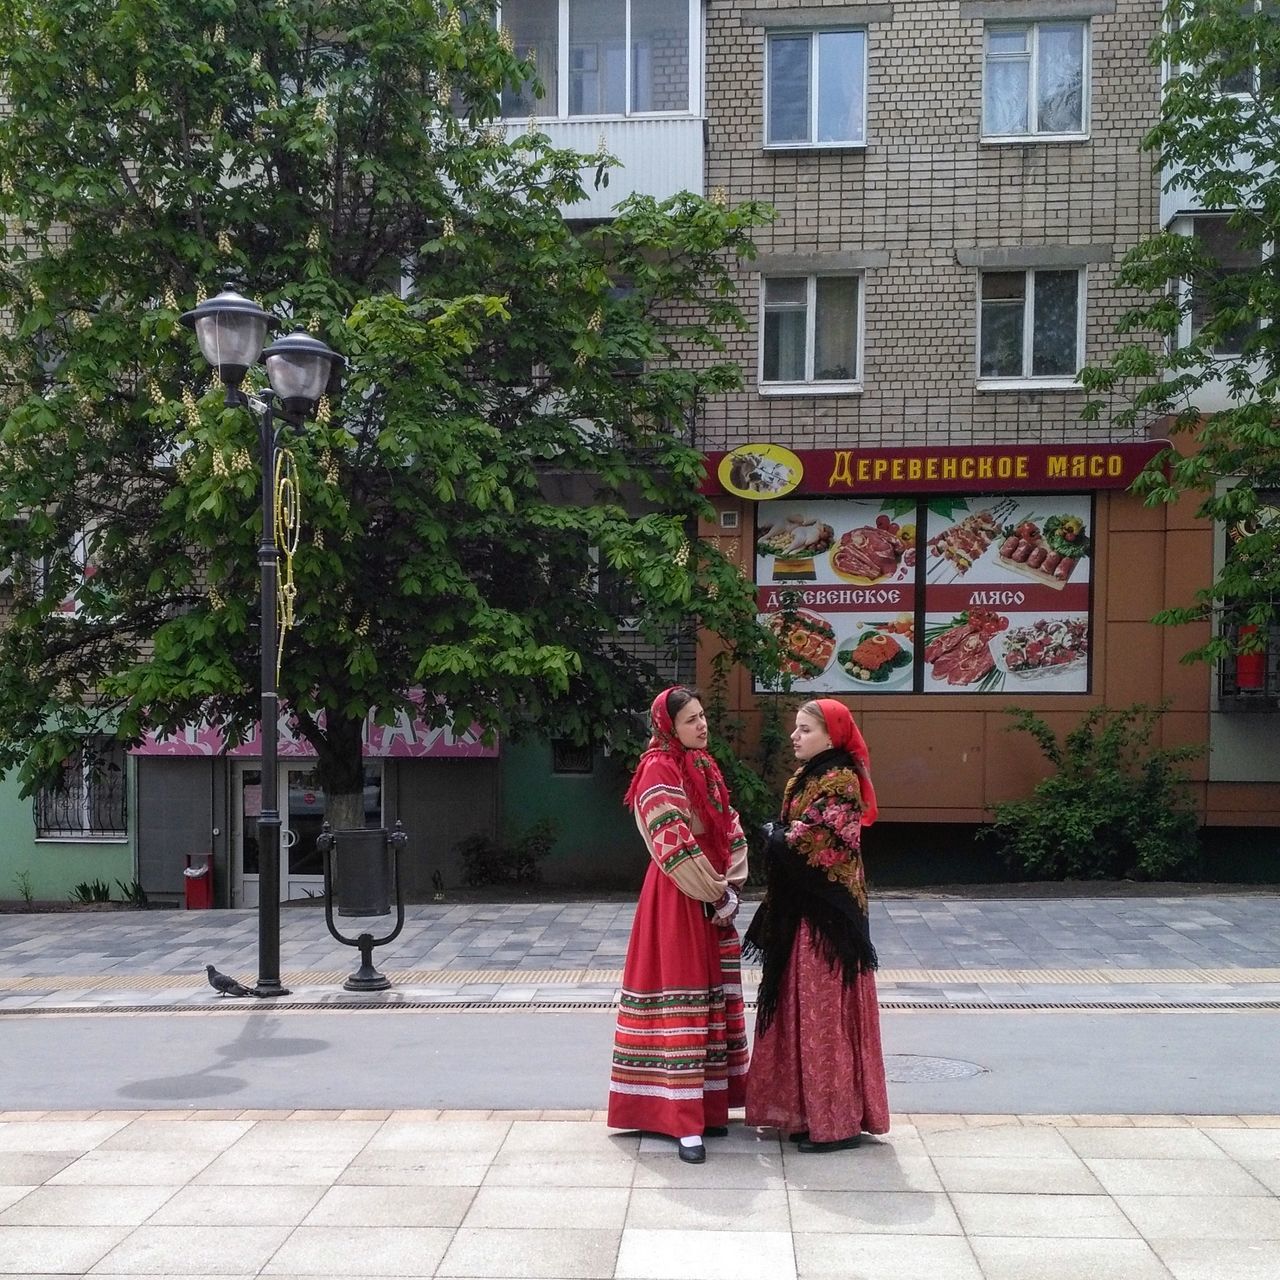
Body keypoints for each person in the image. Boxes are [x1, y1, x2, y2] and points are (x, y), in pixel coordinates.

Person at [607, 686, 750, 1164]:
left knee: (711, 996)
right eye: (691, 720)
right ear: (669, 726)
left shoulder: (705, 766)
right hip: (679, 893)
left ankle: (707, 1109)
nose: (702, 726)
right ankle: (679, 1120)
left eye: (703, 716)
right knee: (683, 997)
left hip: (711, 896)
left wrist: (732, 882)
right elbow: (671, 840)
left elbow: (730, 823)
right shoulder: (658, 767)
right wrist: (715, 891)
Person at [744, 698, 889, 1152]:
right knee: (803, 1011)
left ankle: (837, 1123)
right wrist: (780, 835)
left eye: (805, 729)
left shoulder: (840, 778)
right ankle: (807, 1114)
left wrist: (775, 836)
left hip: (828, 919)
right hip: (805, 912)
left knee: (823, 1016)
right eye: (796, 728)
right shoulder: (808, 777)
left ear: (832, 736)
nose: (795, 736)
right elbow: (800, 833)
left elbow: (816, 844)